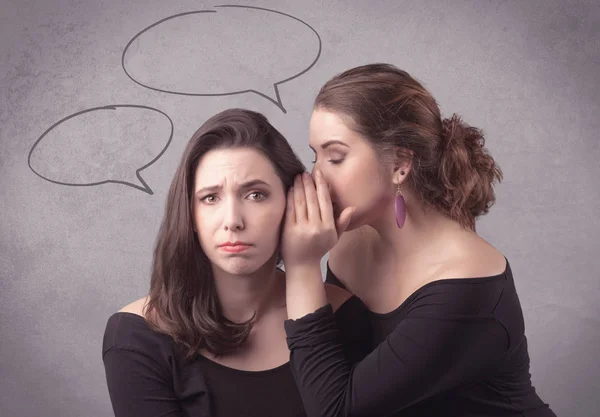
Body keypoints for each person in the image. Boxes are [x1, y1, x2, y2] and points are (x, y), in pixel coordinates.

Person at [281, 64, 556, 417]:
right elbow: (327, 366)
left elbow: (337, 409)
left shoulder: (466, 283)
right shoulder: (350, 243)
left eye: (336, 157)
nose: (317, 176)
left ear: (400, 163)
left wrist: (301, 266)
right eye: (314, 156)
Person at [101, 108, 369, 417]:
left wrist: (303, 265)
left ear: (294, 203)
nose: (233, 221)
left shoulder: (345, 315)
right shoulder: (138, 336)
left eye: (255, 195)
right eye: (210, 198)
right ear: (190, 215)